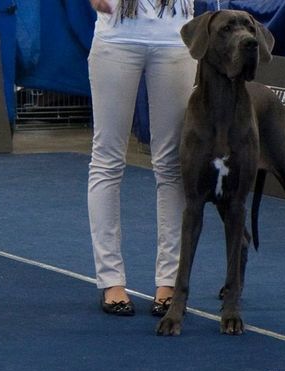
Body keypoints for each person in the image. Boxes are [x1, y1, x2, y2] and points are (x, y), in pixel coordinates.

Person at [88, 0, 196, 316]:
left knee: (172, 164)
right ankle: (110, 281)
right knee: (107, 160)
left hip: (176, 40)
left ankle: (169, 282)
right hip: (115, 39)